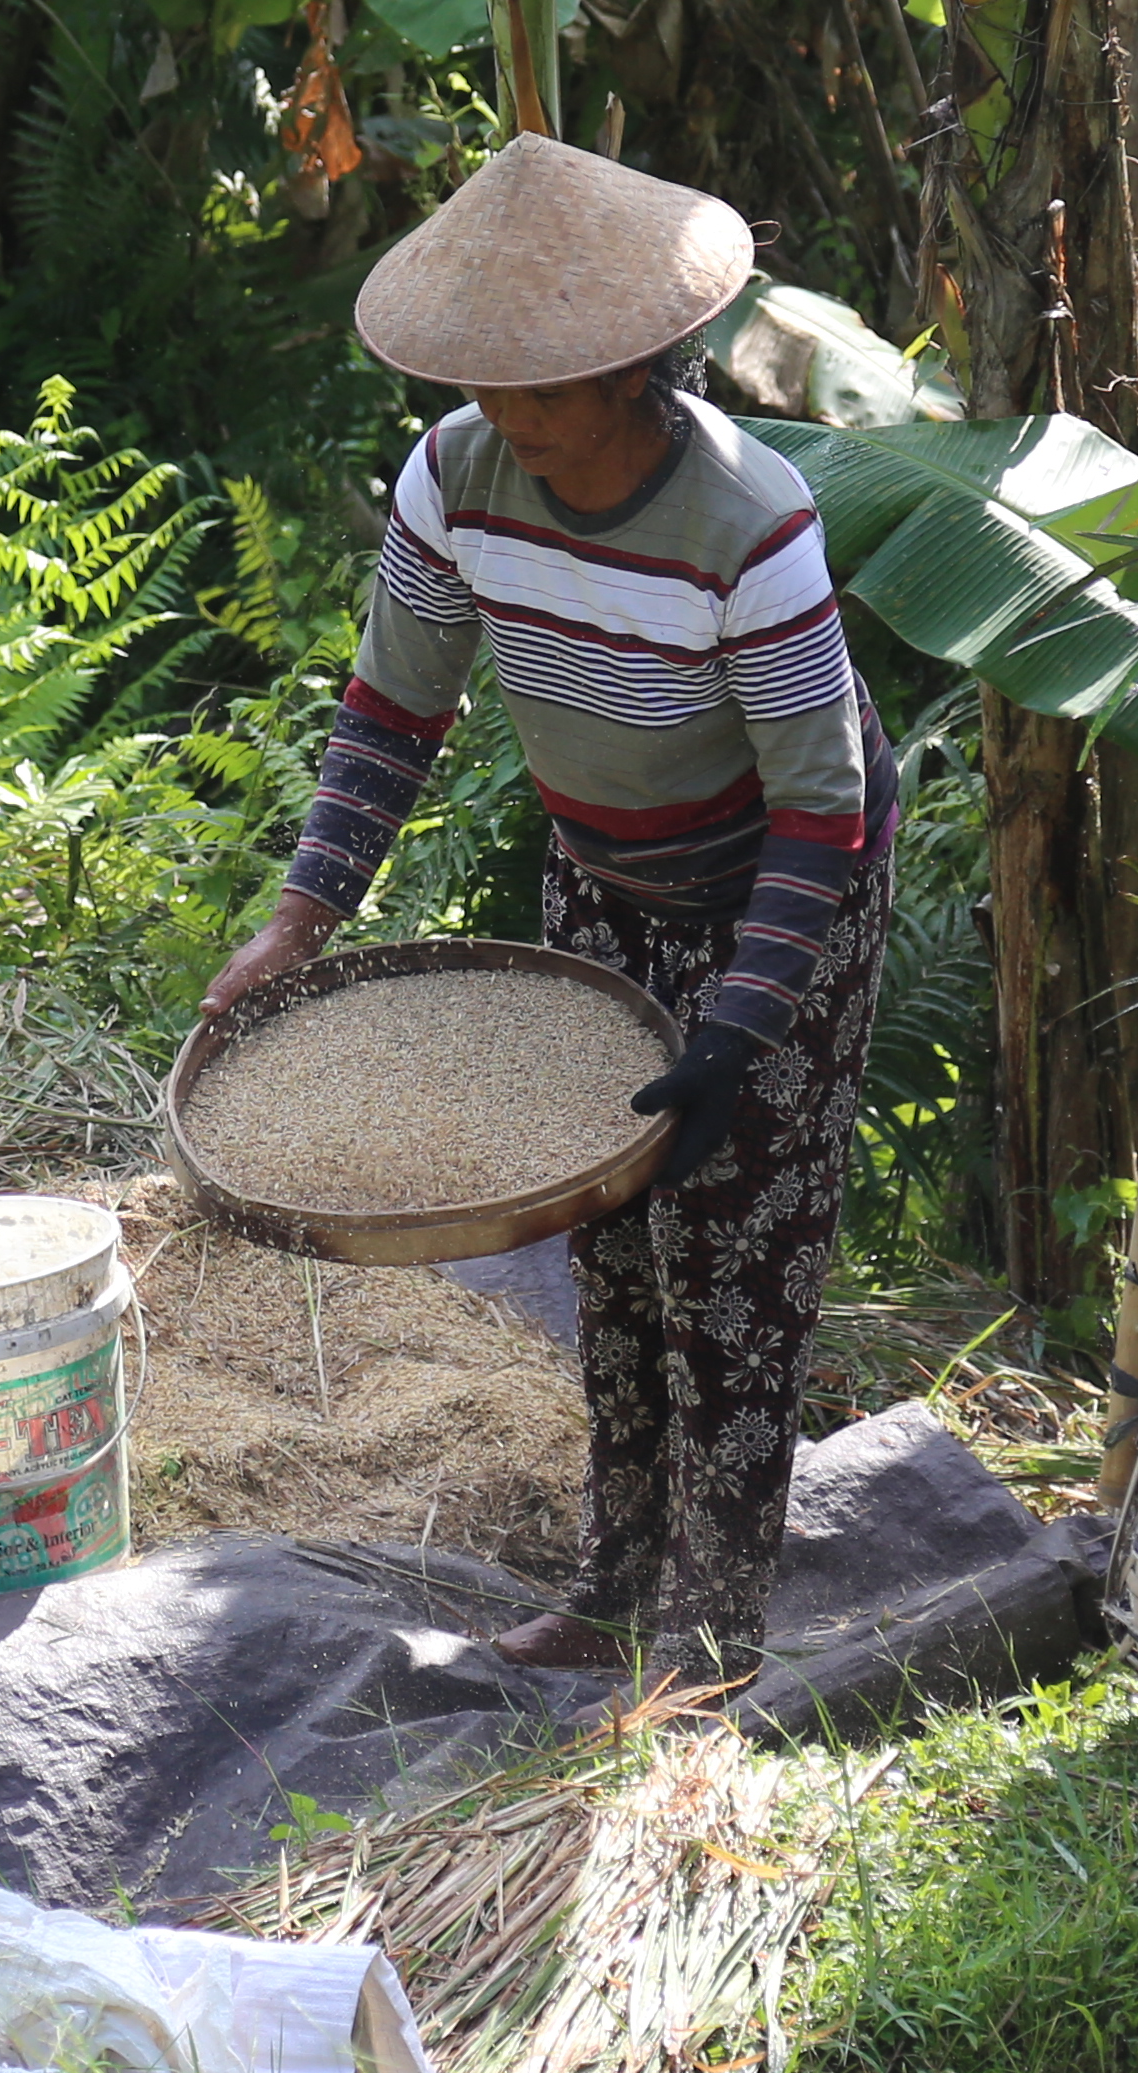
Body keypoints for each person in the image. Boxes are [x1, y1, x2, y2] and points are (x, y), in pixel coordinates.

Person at [200, 134, 899, 1680]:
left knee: (732, 1266)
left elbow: (824, 807)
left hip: (781, 890)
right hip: (605, 876)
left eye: (541, 387)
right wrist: (300, 918)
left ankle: (711, 1640)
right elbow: (394, 709)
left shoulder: (751, 527)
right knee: (607, 1241)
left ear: (640, 372)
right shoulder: (456, 476)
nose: (504, 413)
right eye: (484, 380)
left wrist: (738, 1029)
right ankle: (605, 1593)